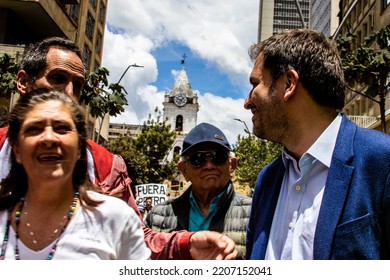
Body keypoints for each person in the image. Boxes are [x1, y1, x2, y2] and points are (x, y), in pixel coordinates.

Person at [0, 37, 237, 260]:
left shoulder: (106, 167)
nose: (70, 93)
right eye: (58, 78)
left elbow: (134, 238)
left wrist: (185, 243)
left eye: (78, 85)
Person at [244, 28, 390, 260]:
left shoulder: (382, 161)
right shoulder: (267, 179)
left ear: (289, 83)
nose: (247, 102)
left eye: (255, 84)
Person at [0, 89, 150, 259]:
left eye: (62, 128)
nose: (49, 138)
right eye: (34, 128)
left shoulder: (116, 219)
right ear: (16, 148)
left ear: (80, 147)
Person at [146, 123, 252, 259]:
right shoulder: (158, 217)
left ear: (232, 166)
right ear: (184, 170)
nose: (209, 165)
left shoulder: (255, 212)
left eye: (218, 157)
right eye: (198, 159)